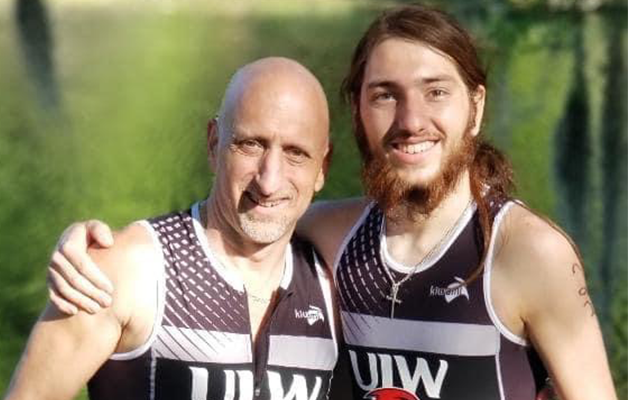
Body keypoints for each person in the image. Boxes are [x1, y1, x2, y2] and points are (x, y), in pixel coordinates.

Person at [41, 4, 618, 400]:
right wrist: (97, 247)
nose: (411, 120)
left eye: (436, 92)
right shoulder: (334, 237)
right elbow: (239, 223)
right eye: (384, 96)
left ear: (476, 106)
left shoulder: (527, 254)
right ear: (359, 115)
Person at [3, 57, 341, 400]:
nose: (269, 181)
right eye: (250, 144)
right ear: (213, 144)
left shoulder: (331, 291)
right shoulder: (124, 272)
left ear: (322, 168)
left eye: (295, 153)